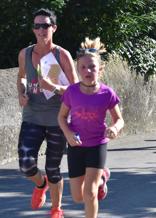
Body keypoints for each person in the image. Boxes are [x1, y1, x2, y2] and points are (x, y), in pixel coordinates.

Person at [16, 8, 77, 218]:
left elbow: (76, 89)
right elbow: (21, 77)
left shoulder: (62, 55)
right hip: (32, 116)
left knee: (53, 168)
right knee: (25, 164)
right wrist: (21, 92)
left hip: (57, 118)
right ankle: (40, 185)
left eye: (45, 25)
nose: (41, 30)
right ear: (34, 30)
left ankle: (56, 208)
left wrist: (53, 87)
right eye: (37, 26)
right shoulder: (25, 53)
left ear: (54, 28)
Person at [57, 37, 124, 218]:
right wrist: (68, 134)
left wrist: (115, 128)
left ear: (100, 70)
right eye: (83, 67)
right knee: (78, 196)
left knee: (90, 193)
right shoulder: (71, 92)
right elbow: (61, 117)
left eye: (92, 67)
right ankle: (103, 177)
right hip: (76, 145)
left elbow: (119, 119)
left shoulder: (107, 93)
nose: (88, 70)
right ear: (78, 70)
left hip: (97, 144)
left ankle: (97, 182)